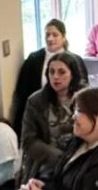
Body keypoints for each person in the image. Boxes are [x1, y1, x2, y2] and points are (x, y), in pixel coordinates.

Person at [9, 19, 87, 135]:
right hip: (39, 114)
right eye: (47, 35)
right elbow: (23, 91)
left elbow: (84, 90)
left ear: (63, 36)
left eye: (55, 35)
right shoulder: (33, 59)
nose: (50, 39)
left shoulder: (76, 60)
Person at [20, 53, 85, 182]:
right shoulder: (36, 101)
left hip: (79, 160)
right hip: (47, 162)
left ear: (72, 74)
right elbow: (28, 141)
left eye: (62, 72)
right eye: (51, 72)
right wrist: (59, 158)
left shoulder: (86, 96)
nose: (55, 77)